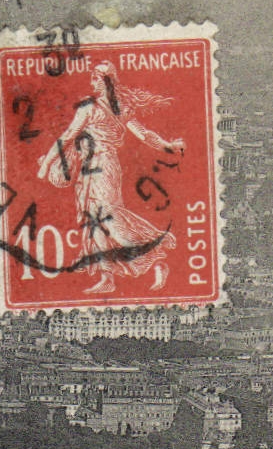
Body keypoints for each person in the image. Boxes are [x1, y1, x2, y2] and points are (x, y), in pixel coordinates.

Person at [35, 61, 184, 294]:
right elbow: (145, 135)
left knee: (109, 220)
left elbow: (67, 136)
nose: (91, 82)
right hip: (92, 168)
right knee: (93, 222)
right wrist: (168, 145)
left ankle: (155, 259)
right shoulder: (119, 108)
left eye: (95, 77)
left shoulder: (91, 107)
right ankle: (107, 278)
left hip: (102, 167)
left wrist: (45, 165)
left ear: (105, 81)